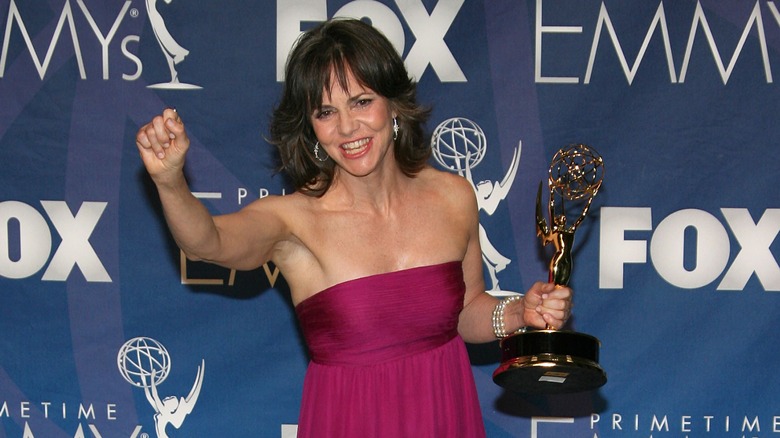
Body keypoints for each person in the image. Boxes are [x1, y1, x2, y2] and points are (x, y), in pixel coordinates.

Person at [135, 18, 572, 438]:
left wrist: (517, 313)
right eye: (326, 112)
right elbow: (207, 243)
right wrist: (170, 182)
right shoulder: (294, 221)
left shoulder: (452, 197)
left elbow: (465, 311)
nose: (347, 128)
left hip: (445, 417)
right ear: (310, 127)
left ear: (394, 103)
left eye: (361, 101)